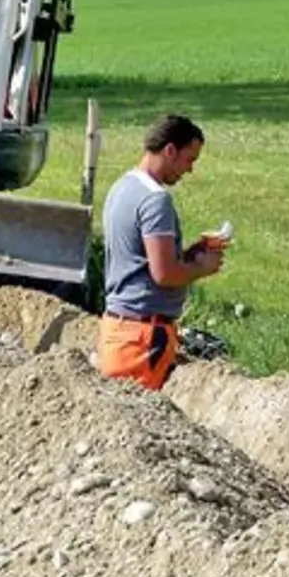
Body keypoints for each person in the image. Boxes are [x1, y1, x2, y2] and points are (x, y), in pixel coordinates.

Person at [98, 113, 224, 391]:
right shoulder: (155, 200)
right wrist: (203, 267)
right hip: (142, 339)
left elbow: (139, 259)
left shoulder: (122, 187)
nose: (189, 170)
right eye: (189, 159)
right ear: (169, 150)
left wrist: (188, 256)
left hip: (117, 330)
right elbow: (164, 274)